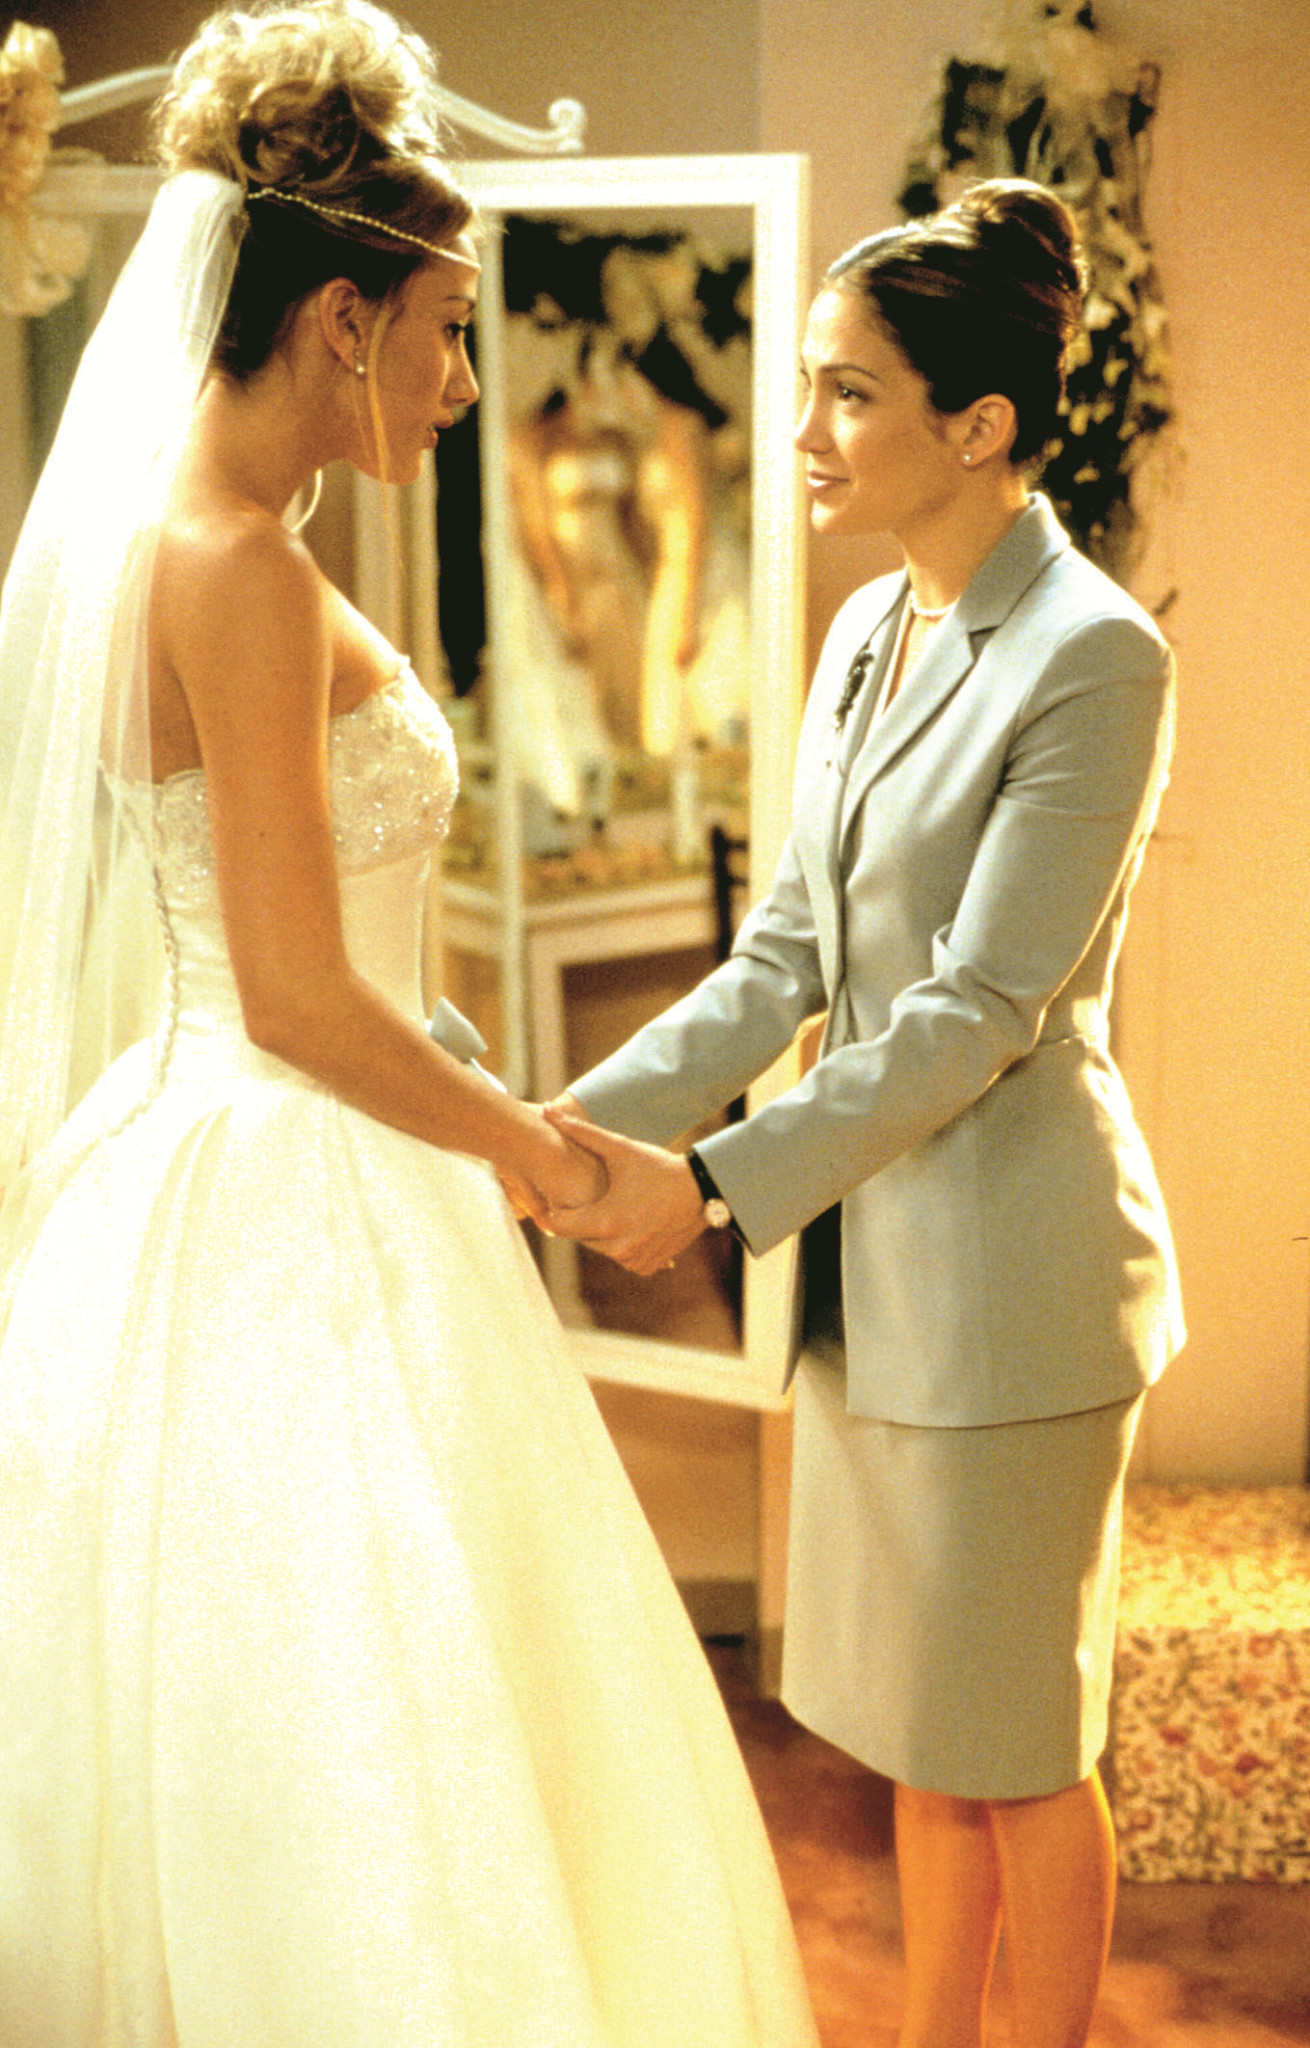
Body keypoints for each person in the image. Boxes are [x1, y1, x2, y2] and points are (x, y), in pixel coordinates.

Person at [0, 6, 821, 2044]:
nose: (465, 380)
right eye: (449, 328)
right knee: (351, 1695)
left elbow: (293, 946)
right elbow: (292, 993)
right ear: (341, 318)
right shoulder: (236, 570)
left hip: (244, 1138)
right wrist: (543, 1158)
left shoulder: (200, 542)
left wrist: (471, 1087)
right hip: (285, 1168)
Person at [542, 178, 1184, 2048]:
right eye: (809, 385)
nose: (806, 428)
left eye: (847, 393)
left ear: (975, 425)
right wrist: (553, 1132)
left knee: (1020, 1754)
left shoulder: (1091, 653)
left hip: (1012, 1301)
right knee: (921, 1740)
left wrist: (709, 1186)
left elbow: (977, 1010)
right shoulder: (859, 634)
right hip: (868, 1290)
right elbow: (784, 959)